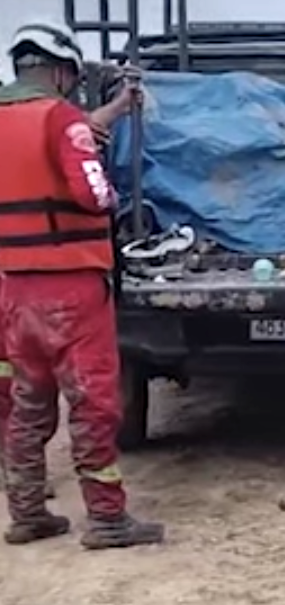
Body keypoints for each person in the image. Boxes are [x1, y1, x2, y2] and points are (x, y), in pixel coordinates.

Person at [0, 20, 165, 549]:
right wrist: (112, 194)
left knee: (28, 403)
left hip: (14, 287)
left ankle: (26, 514)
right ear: (60, 72)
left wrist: (110, 113)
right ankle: (107, 520)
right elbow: (93, 193)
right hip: (71, 285)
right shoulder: (63, 119)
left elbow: (39, 155)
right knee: (93, 402)